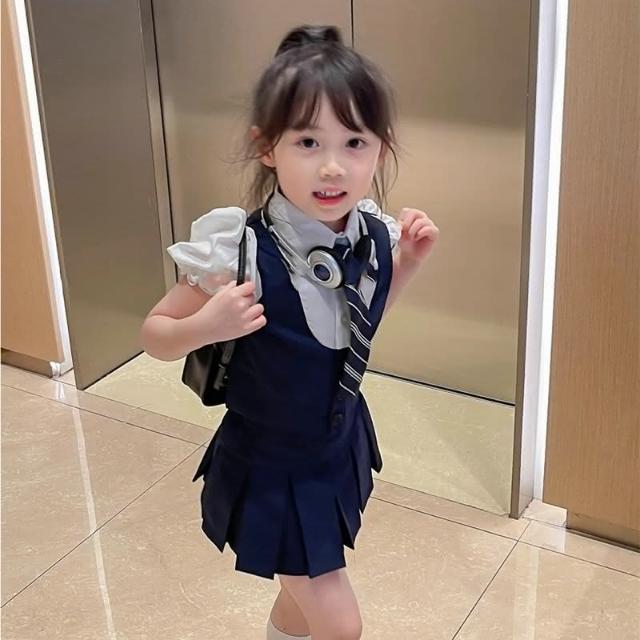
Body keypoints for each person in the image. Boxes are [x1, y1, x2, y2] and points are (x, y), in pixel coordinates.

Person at [140, 24, 439, 640]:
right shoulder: (238, 249)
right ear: (267, 148)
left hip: (336, 443)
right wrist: (207, 323)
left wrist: (406, 263)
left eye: (354, 141)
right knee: (339, 624)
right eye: (307, 141)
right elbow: (155, 334)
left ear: (380, 149)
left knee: (299, 603)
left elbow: (358, 328)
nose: (333, 166)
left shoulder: (371, 233)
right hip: (272, 462)